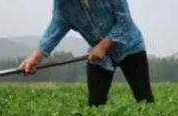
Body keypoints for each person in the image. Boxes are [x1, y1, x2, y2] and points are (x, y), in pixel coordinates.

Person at [20, 0, 154, 106]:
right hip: (99, 56)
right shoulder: (62, 4)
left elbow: (124, 21)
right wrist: (35, 57)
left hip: (130, 47)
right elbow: (56, 26)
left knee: (144, 99)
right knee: (95, 105)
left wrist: (103, 45)